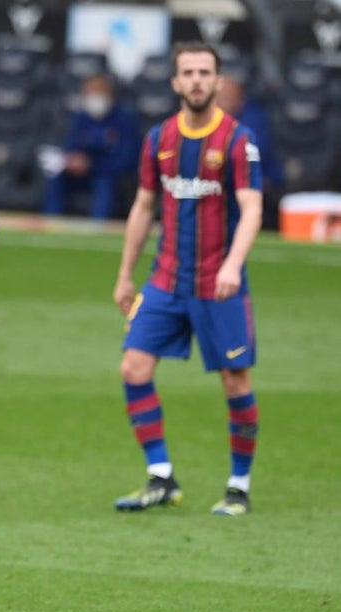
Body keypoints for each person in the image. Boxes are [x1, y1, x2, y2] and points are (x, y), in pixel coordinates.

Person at [112, 41, 263, 517]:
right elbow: (143, 206)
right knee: (133, 368)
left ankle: (238, 485)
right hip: (166, 280)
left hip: (218, 285)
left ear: (218, 82)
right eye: (188, 72)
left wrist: (234, 264)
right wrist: (124, 275)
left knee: (236, 382)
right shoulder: (159, 139)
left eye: (205, 72)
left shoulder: (239, 141)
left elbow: (253, 207)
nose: (197, 80)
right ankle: (161, 477)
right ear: (175, 82)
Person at [41, 74, 141, 220]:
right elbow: (72, 146)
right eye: (90, 94)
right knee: (56, 180)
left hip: (109, 175)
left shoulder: (125, 119)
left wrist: (92, 164)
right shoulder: (81, 118)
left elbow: (128, 159)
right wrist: (72, 161)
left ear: (110, 96)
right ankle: (50, 222)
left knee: (105, 183)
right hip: (81, 175)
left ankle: (98, 227)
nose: (95, 98)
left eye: (99, 94)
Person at [216, 72, 284, 229]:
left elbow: (257, 154)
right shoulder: (204, 120)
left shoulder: (255, 119)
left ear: (240, 98)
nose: (223, 101)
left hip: (254, 181)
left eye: (228, 96)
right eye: (220, 96)